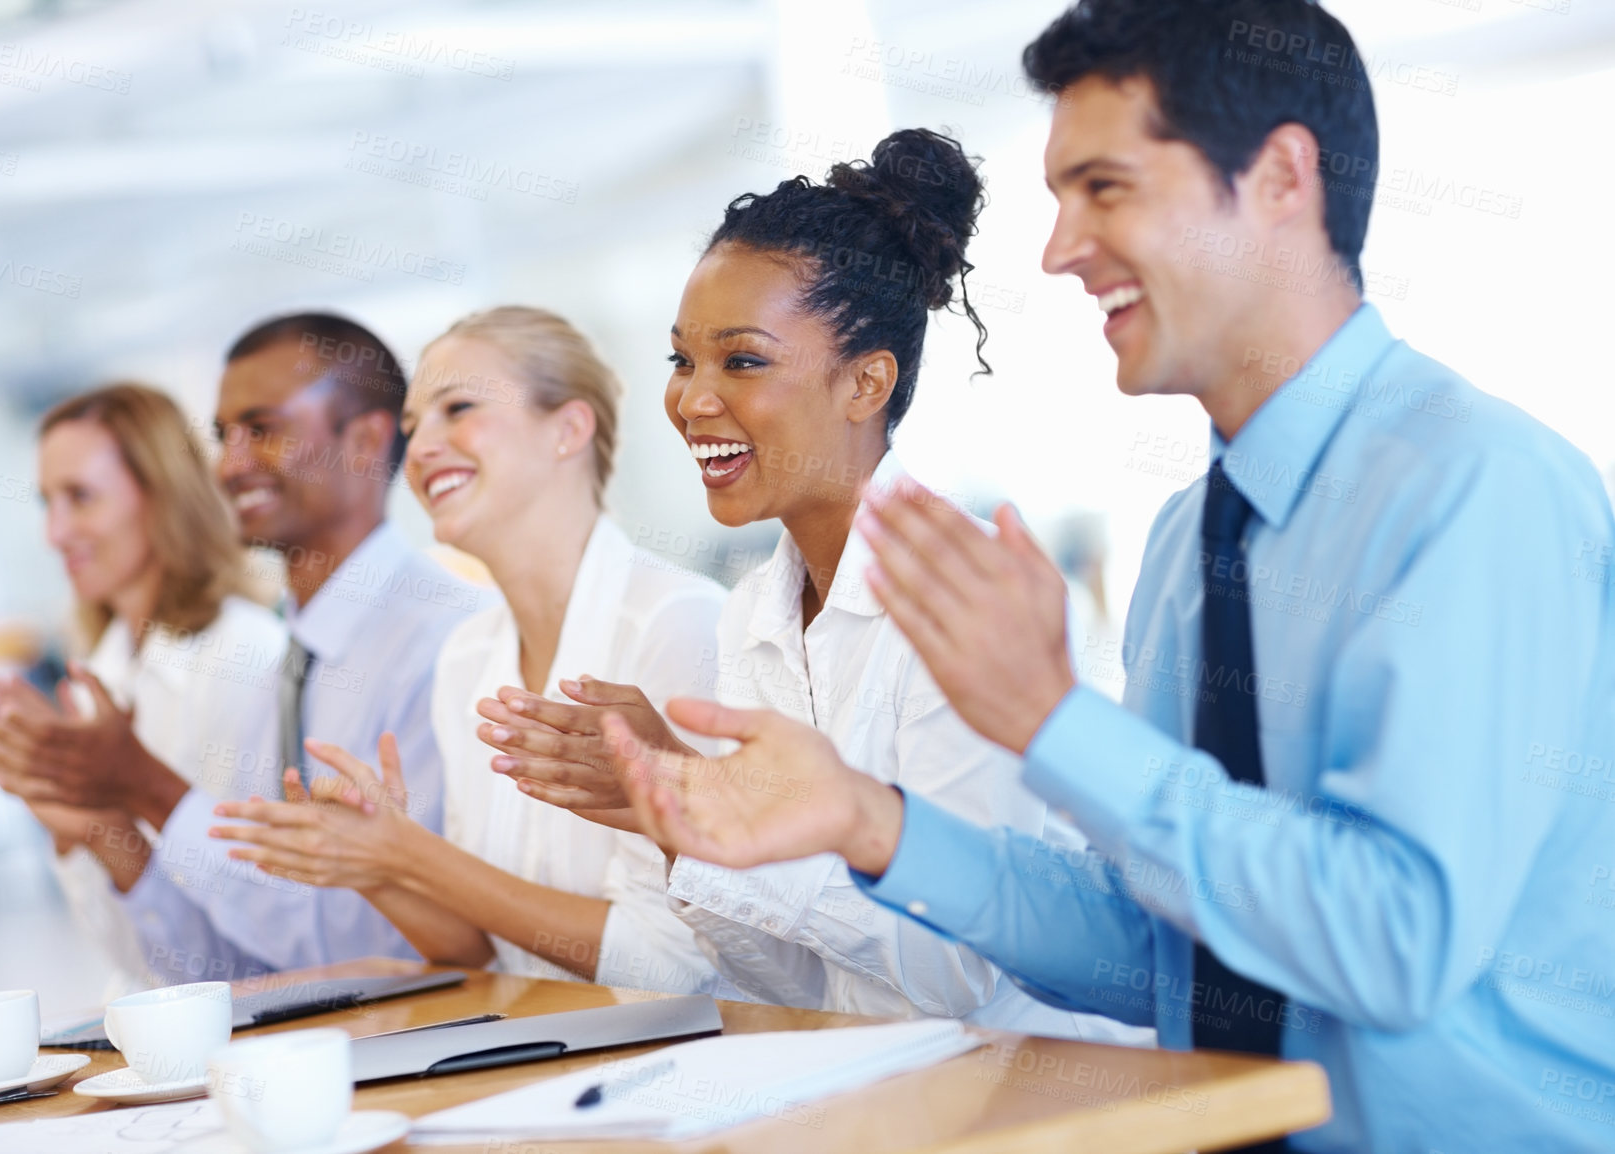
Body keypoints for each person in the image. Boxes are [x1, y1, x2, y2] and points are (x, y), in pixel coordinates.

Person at [591, 2, 1615, 1151]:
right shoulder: (1192, 541)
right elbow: (1162, 952)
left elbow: (1394, 939)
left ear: (1279, 176)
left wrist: (1055, 721)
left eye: (1105, 189)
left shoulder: (1473, 488)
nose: (1056, 247)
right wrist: (869, 822)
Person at [480, 131, 1145, 1043]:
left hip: (1040, 1100)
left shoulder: (961, 599)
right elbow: (795, 981)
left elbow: (956, 975)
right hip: (877, 1095)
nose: (693, 399)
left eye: (742, 361)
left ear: (867, 382)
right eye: (683, 360)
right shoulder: (756, 614)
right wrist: (680, 819)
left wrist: (701, 810)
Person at [208, 307, 741, 996]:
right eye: (413, 426)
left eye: (456, 409)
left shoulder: (676, 624)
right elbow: (479, 950)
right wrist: (377, 865)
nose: (422, 446)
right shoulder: (468, 656)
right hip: (545, 1060)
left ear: (569, 429)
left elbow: (678, 963)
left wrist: (415, 856)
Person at [0, 314, 494, 983]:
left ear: (364, 441)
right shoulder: (290, 663)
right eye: (225, 435)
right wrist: (103, 819)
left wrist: (147, 787)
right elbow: (236, 965)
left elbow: (390, 946)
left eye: (263, 430)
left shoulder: (449, 643)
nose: (229, 464)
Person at [0, 383, 285, 997]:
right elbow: (136, 959)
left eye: (80, 498)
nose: (55, 532)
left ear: (160, 497)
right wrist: (73, 825)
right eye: (47, 502)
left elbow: (253, 960)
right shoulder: (106, 666)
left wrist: (109, 827)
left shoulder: (246, 659)